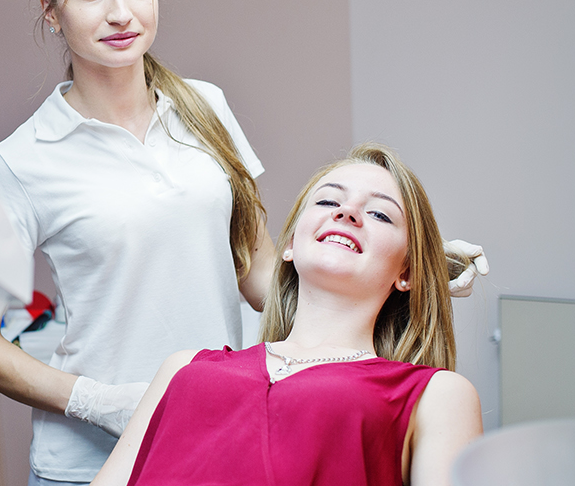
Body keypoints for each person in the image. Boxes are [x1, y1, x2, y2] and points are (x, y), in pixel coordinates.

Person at [0, 0, 282, 486]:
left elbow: (258, 270)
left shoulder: (206, 107)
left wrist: (392, 277)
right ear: (51, 12)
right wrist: (99, 403)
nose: (121, 13)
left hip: (216, 439)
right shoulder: (23, 162)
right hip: (90, 463)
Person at [89, 144, 485, 486]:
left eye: (380, 214)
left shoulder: (437, 393)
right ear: (291, 244)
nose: (347, 213)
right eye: (328, 202)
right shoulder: (182, 368)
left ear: (407, 272)